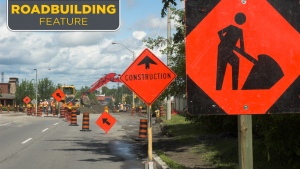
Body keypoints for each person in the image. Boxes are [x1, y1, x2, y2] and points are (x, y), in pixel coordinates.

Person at [216, 13, 246, 90]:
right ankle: (218, 89)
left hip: (228, 50)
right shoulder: (231, 27)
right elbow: (220, 32)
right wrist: (224, 42)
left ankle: (235, 90)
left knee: (236, 60)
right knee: (221, 68)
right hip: (222, 48)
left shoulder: (240, 31)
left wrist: (243, 52)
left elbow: (242, 46)